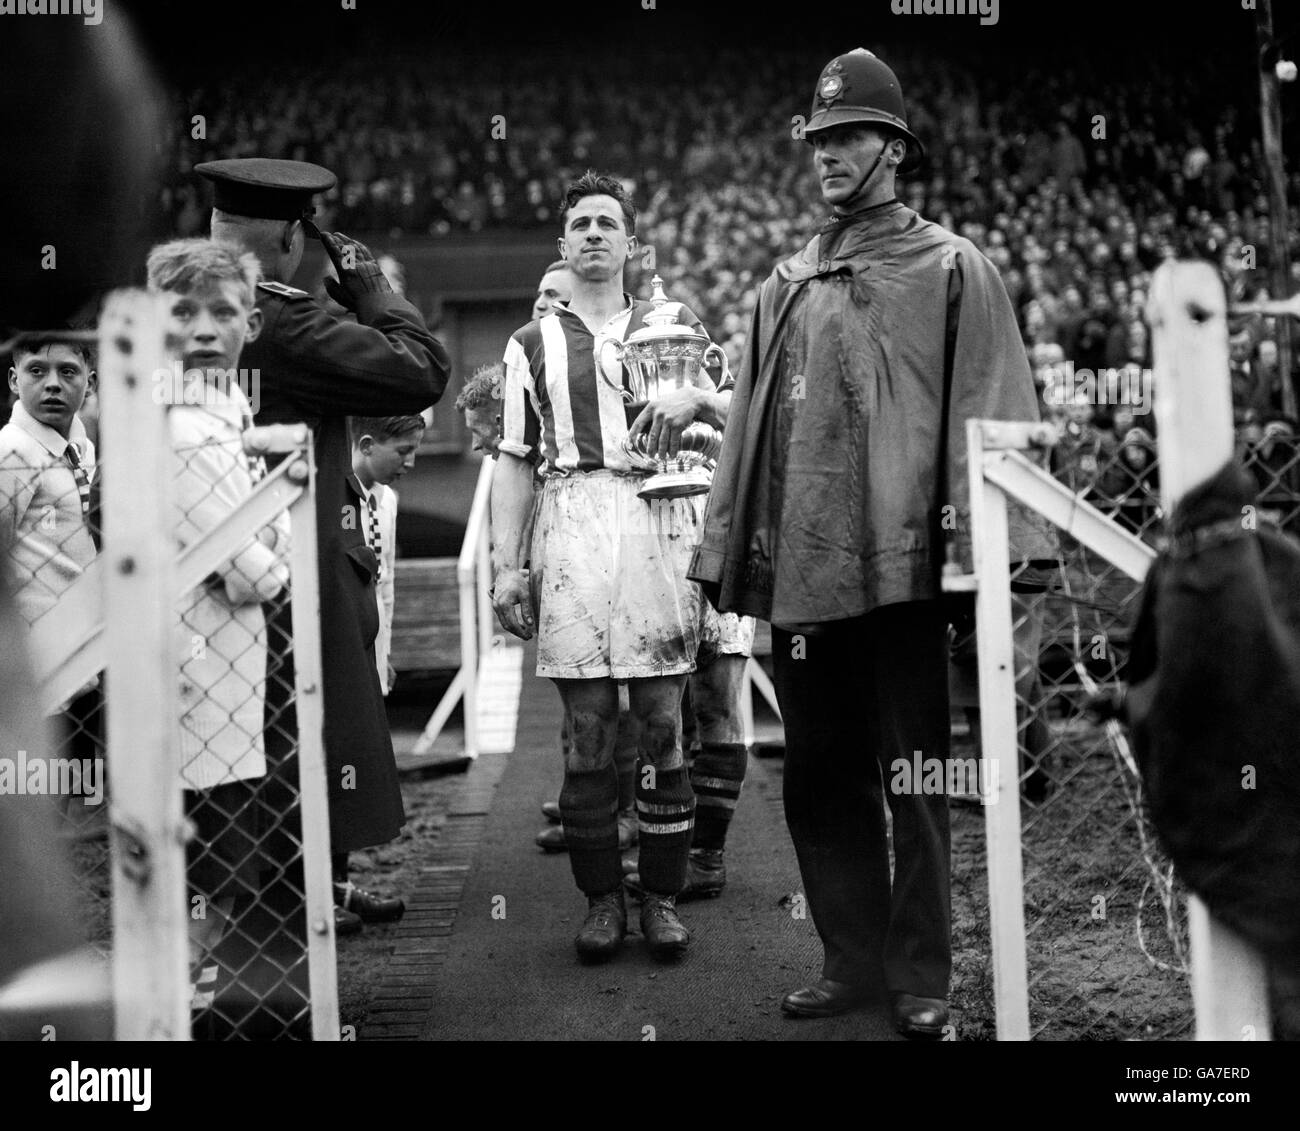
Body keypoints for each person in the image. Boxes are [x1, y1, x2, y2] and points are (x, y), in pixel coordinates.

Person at [689, 49, 1056, 1036]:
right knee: (818, 775)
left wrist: (997, 551)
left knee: (916, 777)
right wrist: (728, 548)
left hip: (905, 572)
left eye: (848, 136)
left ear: (892, 148)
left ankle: (922, 973)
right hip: (805, 573)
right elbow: (749, 433)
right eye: (817, 140)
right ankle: (849, 962)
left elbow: (992, 413)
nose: (827, 155)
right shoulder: (783, 283)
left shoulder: (951, 267)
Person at [194, 158, 449, 938]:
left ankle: (307, 898)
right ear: (289, 237)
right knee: (304, 751)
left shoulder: (186, 310)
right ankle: (295, 924)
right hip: (295, 571)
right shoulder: (286, 320)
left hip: (215, 574)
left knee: (257, 764)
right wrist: (372, 290)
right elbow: (422, 371)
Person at [490, 172, 729, 962]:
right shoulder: (531, 344)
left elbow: (733, 414)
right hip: (573, 519)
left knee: (663, 720)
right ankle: (601, 903)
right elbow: (516, 462)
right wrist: (507, 566)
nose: (594, 234)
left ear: (631, 243)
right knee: (587, 727)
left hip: (659, 518)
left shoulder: (677, 326)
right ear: (564, 245)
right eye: (580, 224)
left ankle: (659, 896)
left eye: (607, 223)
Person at [145, 237, 291, 984]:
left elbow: (266, 536)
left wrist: (263, 545)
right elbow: (250, 568)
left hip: (230, 677)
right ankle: (175, 1001)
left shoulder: (229, 411)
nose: (204, 330)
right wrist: (268, 553)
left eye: (223, 311)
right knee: (209, 867)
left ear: (252, 324)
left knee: (227, 863)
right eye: (184, 311)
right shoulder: (178, 426)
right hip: (195, 675)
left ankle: (190, 996)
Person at [350, 414, 426, 698]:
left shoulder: (388, 500)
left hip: (374, 637)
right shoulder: (332, 496)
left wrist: (385, 649)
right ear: (368, 446)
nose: (410, 462)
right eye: (403, 451)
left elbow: (386, 580)